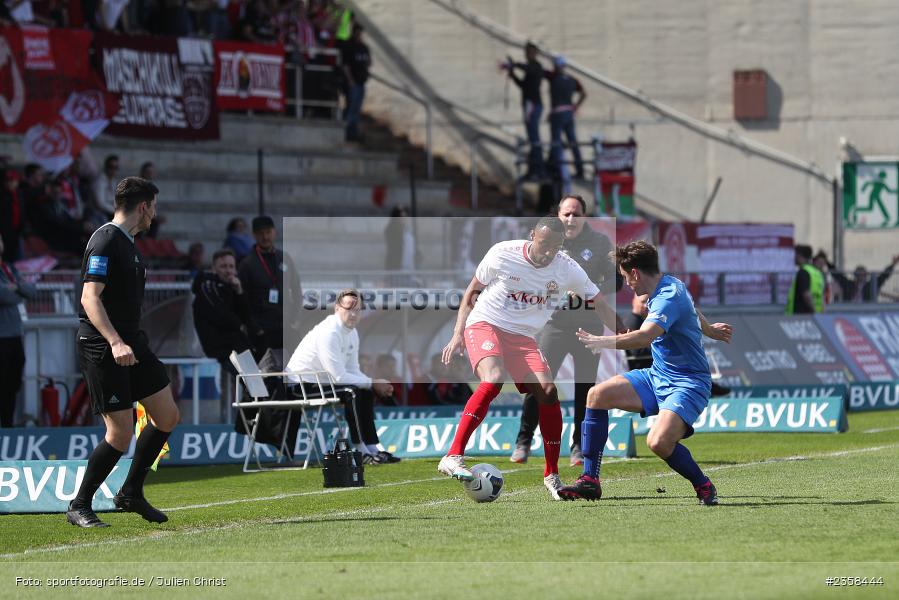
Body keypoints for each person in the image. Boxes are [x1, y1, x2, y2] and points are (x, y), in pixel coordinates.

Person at [438, 216, 621, 500]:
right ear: (532, 235)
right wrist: (457, 332)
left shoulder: (567, 268)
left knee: (547, 392)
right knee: (494, 378)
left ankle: (552, 475)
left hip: (523, 337)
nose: (549, 252)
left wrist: (626, 334)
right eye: (545, 244)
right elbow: (472, 291)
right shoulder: (503, 253)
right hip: (486, 323)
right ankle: (453, 456)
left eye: (556, 247)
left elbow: (599, 304)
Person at [558, 241, 733, 505]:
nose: (627, 283)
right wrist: (710, 330)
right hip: (657, 375)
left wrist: (601, 341)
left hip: (688, 383)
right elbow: (692, 310)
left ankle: (704, 485)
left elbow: (645, 337)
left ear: (635, 273)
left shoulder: (667, 296)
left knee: (658, 442)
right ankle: (590, 480)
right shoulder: (671, 285)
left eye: (625, 276)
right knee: (596, 396)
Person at [67, 176, 180, 528]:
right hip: (104, 346)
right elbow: (90, 298)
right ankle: (79, 505)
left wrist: (127, 341)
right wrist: (115, 342)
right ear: (143, 207)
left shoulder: (129, 243)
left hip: (133, 343)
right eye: (154, 207)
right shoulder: (105, 240)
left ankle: (131, 492)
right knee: (119, 433)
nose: (155, 215)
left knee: (167, 416)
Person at [511, 195, 616, 466]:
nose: (571, 219)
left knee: (585, 389)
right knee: (539, 384)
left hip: (589, 326)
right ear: (557, 215)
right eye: (566, 213)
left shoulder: (600, 242)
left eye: (576, 214)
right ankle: (523, 441)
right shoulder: (547, 239)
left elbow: (616, 280)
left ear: (584, 216)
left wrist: (591, 292)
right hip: (553, 324)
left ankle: (578, 447)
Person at [285, 289, 400, 465]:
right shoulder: (329, 332)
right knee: (351, 392)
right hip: (299, 386)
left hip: (321, 383)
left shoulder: (352, 332)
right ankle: (360, 449)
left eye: (358, 310)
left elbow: (353, 370)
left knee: (365, 390)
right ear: (337, 308)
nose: (353, 314)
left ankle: (372, 447)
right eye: (349, 309)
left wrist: (372, 384)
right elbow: (338, 377)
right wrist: (373, 382)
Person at [237, 215, 302, 356]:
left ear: (274, 232)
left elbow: (297, 289)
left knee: (296, 364)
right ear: (254, 235)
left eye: (268, 232)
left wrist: (295, 319)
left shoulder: (284, 258)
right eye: (261, 233)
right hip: (262, 330)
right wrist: (255, 328)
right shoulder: (247, 264)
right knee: (266, 367)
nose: (265, 237)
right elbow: (242, 301)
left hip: (286, 326)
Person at [192, 248, 255, 377]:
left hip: (238, 348)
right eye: (223, 266)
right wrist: (240, 326)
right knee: (252, 380)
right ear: (214, 269)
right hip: (222, 350)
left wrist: (239, 292)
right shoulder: (207, 287)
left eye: (231, 266)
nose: (228, 271)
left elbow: (247, 316)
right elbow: (221, 315)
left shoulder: (232, 288)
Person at [0, 236, 36, 428]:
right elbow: (4, 295)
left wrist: (17, 287)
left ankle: (8, 425)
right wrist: (17, 291)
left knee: (12, 384)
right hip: (1, 336)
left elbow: (32, 291)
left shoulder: (9, 268)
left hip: (14, 335)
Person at [503, 42, 546, 179]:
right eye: (527, 52)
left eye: (530, 52)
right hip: (529, 104)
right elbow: (523, 85)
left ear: (535, 53)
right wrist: (513, 74)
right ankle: (534, 168)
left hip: (532, 104)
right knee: (532, 138)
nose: (527, 54)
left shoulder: (536, 66)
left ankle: (537, 169)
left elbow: (528, 69)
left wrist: (514, 65)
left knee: (534, 138)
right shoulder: (530, 68)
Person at [546, 55, 586, 181]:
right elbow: (584, 94)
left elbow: (543, 73)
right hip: (569, 113)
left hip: (558, 113)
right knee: (573, 141)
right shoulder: (572, 80)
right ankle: (580, 170)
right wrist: (575, 106)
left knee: (556, 142)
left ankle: (555, 169)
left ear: (556, 66)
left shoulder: (553, 78)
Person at [341, 22, 370, 141]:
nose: (359, 34)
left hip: (361, 81)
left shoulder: (363, 47)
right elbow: (345, 65)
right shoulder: (349, 46)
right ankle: (347, 131)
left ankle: (354, 132)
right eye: (358, 32)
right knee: (351, 107)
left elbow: (368, 62)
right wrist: (350, 80)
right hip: (353, 82)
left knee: (357, 108)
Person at [828, 255, 899, 303]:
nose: (860, 276)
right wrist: (827, 262)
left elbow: (883, 276)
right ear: (855, 275)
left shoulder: (870, 285)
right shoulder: (848, 284)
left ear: (866, 275)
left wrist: (893, 264)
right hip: (850, 310)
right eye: (858, 274)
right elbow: (838, 276)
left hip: (866, 310)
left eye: (862, 274)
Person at [786, 244, 824, 314]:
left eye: (795, 255)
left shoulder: (803, 272)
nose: (793, 258)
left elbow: (807, 295)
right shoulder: (816, 272)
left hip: (802, 315)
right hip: (813, 315)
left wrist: (814, 313)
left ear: (799, 256)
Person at [92, 154, 119, 220]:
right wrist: (116, 210)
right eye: (111, 167)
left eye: (116, 168)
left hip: (110, 213)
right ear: (106, 167)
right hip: (100, 214)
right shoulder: (99, 182)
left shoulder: (113, 181)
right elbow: (100, 204)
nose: (113, 170)